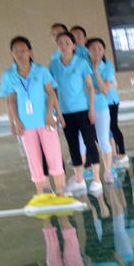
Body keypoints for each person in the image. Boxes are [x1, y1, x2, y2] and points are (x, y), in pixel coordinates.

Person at [0, 36, 66, 195]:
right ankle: (41, 193)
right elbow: (11, 101)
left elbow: (51, 93)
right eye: (16, 51)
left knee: (54, 156)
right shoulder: (8, 75)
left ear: (30, 52)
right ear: (12, 53)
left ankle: (59, 191)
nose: (20, 54)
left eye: (23, 50)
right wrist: (14, 122)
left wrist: (52, 114)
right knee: (34, 160)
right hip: (25, 124)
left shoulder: (41, 70)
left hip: (46, 120)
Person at [48, 31, 106, 212]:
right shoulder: (54, 65)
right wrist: (58, 113)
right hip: (66, 112)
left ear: (74, 45)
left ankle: (96, 179)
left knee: (90, 142)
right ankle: (79, 179)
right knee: (73, 145)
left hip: (82, 110)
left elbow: (90, 86)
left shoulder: (81, 63)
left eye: (67, 42)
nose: (63, 45)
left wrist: (91, 108)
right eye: (60, 43)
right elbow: (53, 91)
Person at [86, 38, 116, 185]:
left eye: (100, 48)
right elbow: (81, 89)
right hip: (83, 107)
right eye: (93, 48)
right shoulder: (82, 65)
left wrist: (96, 71)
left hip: (101, 107)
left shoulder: (107, 67)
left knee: (103, 139)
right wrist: (96, 89)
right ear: (87, 50)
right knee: (86, 141)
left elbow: (105, 89)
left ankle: (108, 171)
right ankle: (91, 171)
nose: (97, 51)